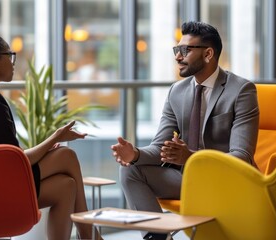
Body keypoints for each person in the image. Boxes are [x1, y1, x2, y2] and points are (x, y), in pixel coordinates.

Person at [0, 23, 101, 240]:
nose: (14, 61)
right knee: (67, 155)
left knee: (66, 187)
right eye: (10, 55)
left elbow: (6, 155)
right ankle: (90, 236)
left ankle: (88, 235)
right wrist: (55, 137)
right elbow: (16, 161)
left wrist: (49, 144)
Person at [111, 21, 259, 240]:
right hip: (185, 180)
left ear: (208, 54)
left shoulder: (241, 90)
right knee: (130, 169)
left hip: (226, 182)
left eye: (185, 50)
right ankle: (159, 237)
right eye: (176, 50)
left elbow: (242, 157)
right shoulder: (177, 92)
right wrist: (136, 154)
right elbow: (160, 147)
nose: (177, 56)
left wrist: (190, 157)